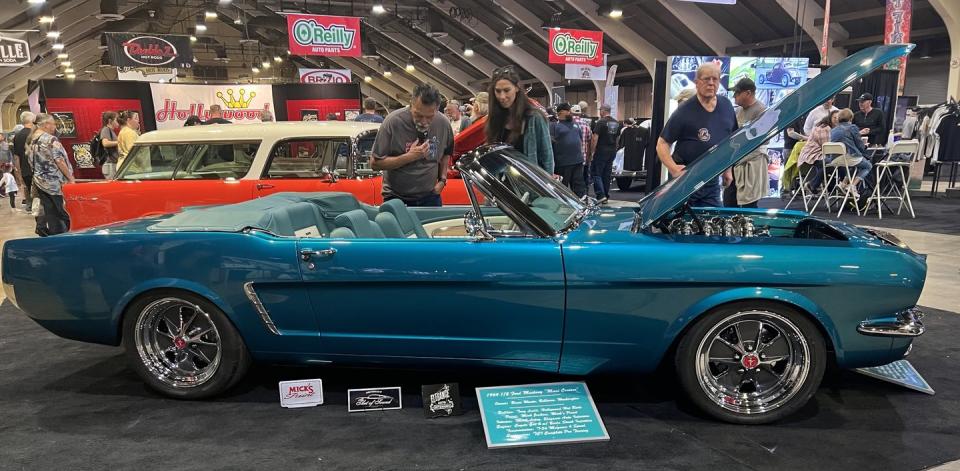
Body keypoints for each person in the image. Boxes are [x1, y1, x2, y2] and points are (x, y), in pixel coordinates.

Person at [656, 62, 738, 207]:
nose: (711, 83)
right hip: (684, 179)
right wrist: (673, 168)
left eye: (715, 79)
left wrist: (727, 170)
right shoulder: (684, 111)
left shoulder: (726, 106)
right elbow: (662, 143)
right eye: (706, 79)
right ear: (696, 82)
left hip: (711, 179)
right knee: (679, 223)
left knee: (713, 221)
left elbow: (729, 141)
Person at [370, 83, 453, 207]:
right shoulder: (393, 122)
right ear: (411, 104)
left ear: (437, 109)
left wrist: (442, 180)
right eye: (418, 115)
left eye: (429, 117)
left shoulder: (443, 123)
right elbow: (375, 163)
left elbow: (446, 153)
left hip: (430, 198)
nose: (424, 121)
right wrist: (410, 156)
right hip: (396, 199)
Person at [485, 66, 554, 174]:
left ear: (517, 88)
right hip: (502, 184)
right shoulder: (495, 118)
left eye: (507, 90)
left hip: (529, 184)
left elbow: (547, 158)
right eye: (498, 91)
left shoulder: (535, 118)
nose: (502, 96)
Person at [28, 113, 75, 235]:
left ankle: (56, 236)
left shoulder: (31, 140)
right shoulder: (50, 139)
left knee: (51, 213)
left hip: (40, 182)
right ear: (46, 124)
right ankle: (70, 235)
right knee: (64, 212)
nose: (55, 127)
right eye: (54, 124)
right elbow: (59, 160)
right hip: (55, 183)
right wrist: (70, 178)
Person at [725, 78, 769, 208]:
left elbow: (763, 140)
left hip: (750, 164)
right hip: (734, 162)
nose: (734, 97)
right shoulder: (738, 111)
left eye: (737, 93)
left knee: (748, 205)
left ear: (748, 93)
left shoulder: (761, 111)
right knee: (728, 201)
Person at [830, 108, 873, 197]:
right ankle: (852, 185)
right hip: (849, 156)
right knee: (867, 165)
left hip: (834, 159)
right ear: (850, 118)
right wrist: (865, 146)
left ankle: (843, 184)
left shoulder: (833, 130)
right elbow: (860, 145)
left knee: (853, 164)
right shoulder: (852, 127)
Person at [549, 103, 586, 197]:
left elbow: (581, 140)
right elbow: (550, 144)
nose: (570, 112)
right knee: (562, 189)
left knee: (579, 187)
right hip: (563, 163)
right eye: (568, 111)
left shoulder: (576, 124)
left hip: (577, 161)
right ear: (560, 112)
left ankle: (581, 204)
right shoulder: (554, 126)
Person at [797, 110, 839, 193]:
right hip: (812, 154)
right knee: (832, 163)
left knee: (836, 164)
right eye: (835, 117)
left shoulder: (832, 128)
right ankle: (813, 184)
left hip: (819, 154)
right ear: (830, 118)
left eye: (839, 118)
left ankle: (832, 187)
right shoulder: (824, 128)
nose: (837, 119)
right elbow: (828, 147)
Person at [590, 104, 621, 203]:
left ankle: (601, 195)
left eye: (600, 110)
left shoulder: (601, 122)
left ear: (603, 111)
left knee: (597, 173)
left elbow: (595, 138)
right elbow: (617, 139)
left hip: (601, 150)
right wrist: (615, 149)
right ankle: (606, 195)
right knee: (606, 174)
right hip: (612, 151)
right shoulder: (616, 123)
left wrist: (592, 152)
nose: (600, 112)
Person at [12, 112, 35, 211]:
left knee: (27, 188)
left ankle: (30, 206)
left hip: (24, 168)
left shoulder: (17, 136)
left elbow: (16, 156)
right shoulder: (34, 133)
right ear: (32, 120)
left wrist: (19, 172)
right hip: (36, 168)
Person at [571, 104, 593, 190]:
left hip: (569, 158)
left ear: (571, 112)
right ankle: (584, 196)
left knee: (570, 180)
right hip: (583, 157)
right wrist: (589, 156)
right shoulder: (586, 124)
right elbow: (590, 140)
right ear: (580, 113)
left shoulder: (568, 123)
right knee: (582, 180)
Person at [99, 111, 120, 179]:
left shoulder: (111, 131)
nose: (118, 122)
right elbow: (105, 143)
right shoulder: (106, 130)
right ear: (110, 121)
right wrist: (119, 142)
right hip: (110, 164)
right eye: (116, 120)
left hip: (113, 164)